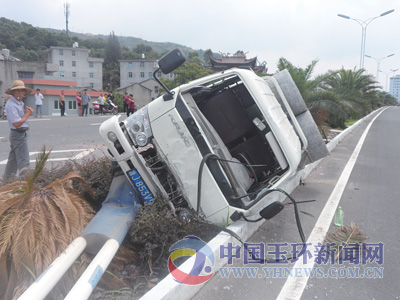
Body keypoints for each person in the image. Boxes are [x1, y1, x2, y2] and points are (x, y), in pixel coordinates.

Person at [3, 80, 34, 179]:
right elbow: (16, 123)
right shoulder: (11, 105)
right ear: (13, 92)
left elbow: (19, 119)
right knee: (24, 161)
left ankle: (7, 181)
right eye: (17, 90)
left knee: (13, 160)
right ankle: (25, 184)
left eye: (22, 90)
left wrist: (25, 113)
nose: (20, 92)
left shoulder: (18, 103)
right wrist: (27, 115)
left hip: (20, 133)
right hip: (18, 134)